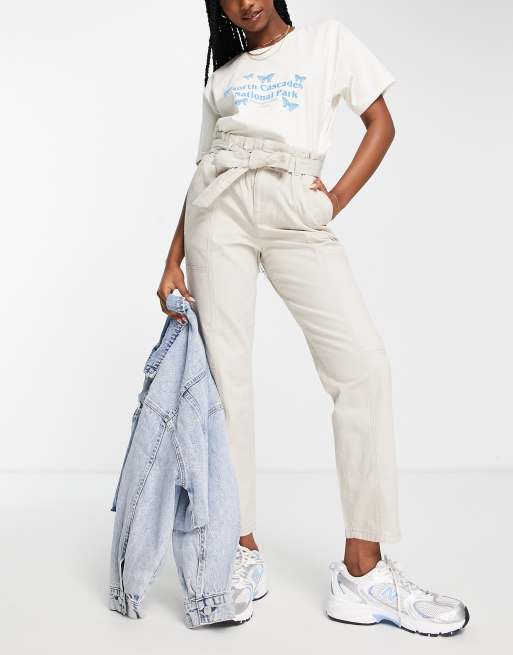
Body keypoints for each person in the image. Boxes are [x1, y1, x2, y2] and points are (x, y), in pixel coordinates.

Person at [157, 0, 469, 636]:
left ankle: (363, 571)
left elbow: (380, 123)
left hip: (294, 204)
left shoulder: (327, 41)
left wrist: (336, 200)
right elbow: (201, 172)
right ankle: (238, 550)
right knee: (226, 382)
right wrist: (171, 261)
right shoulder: (224, 77)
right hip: (218, 212)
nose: (244, 2)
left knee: (363, 368)